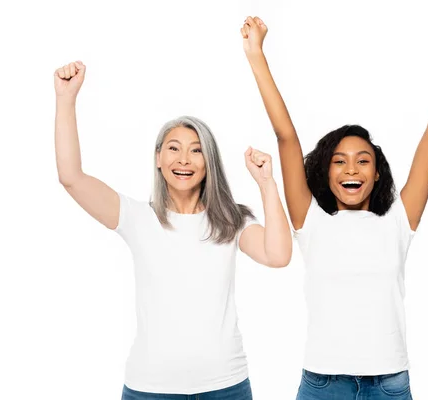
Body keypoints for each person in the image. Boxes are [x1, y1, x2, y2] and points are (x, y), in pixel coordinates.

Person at [241, 16, 428, 400]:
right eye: (339, 161)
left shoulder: (399, 220)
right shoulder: (311, 221)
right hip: (323, 384)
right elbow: (286, 136)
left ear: (377, 174)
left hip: (390, 385)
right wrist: (256, 54)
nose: (351, 168)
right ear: (325, 173)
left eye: (362, 160)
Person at [54, 61, 292, 399]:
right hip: (150, 389)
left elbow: (278, 255)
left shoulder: (230, 221)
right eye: (174, 149)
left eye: (196, 151)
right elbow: (71, 177)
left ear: (208, 163)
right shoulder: (137, 218)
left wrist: (267, 184)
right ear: (158, 159)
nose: (184, 160)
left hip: (225, 387)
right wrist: (66, 100)